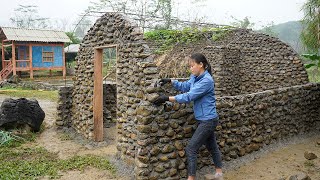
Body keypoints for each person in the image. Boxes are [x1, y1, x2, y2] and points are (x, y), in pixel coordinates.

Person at [153, 53, 223, 180]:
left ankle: (191, 178)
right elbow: (186, 86)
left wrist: (167, 98)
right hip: (204, 119)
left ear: (201, 65)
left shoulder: (207, 81)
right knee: (212, 146)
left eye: (192, 66)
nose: (190, 69)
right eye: (189, 66)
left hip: (208, 120)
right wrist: (171, 81)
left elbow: (189, 96)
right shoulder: (195, 76)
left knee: (191, 148)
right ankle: (219, 174)